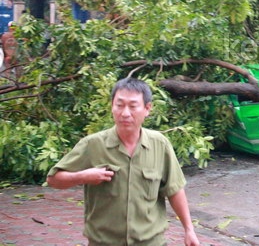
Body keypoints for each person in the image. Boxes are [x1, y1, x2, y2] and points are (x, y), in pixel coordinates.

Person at [47, 77, 200, 246]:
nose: (125, 113)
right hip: (103, 242)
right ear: (112, 106)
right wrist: (83, 176)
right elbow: (53, 179)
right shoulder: (93, 145)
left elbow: (174, 190)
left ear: (147, 109)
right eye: (119, 105)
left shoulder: (160, 144)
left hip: (150, 242)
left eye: (133, 106)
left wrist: (189, 229)